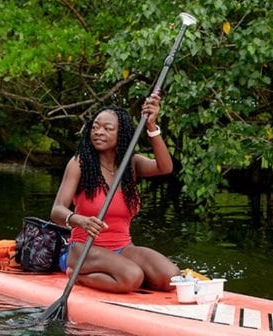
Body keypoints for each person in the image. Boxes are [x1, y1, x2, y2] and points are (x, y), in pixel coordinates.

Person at [51, 94, 178, 293]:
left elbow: (165, 167)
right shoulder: (79, 163)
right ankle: (77, 275)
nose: (98, 132)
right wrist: (80, 220)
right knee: (132, 276)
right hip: (84, 248)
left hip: (123, 248)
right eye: (95, 127)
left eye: (107, 128)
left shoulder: (131, 165)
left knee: (171, 278)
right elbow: (57, 211)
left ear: (122, 134)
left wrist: (151, 126)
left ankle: (123, 274)